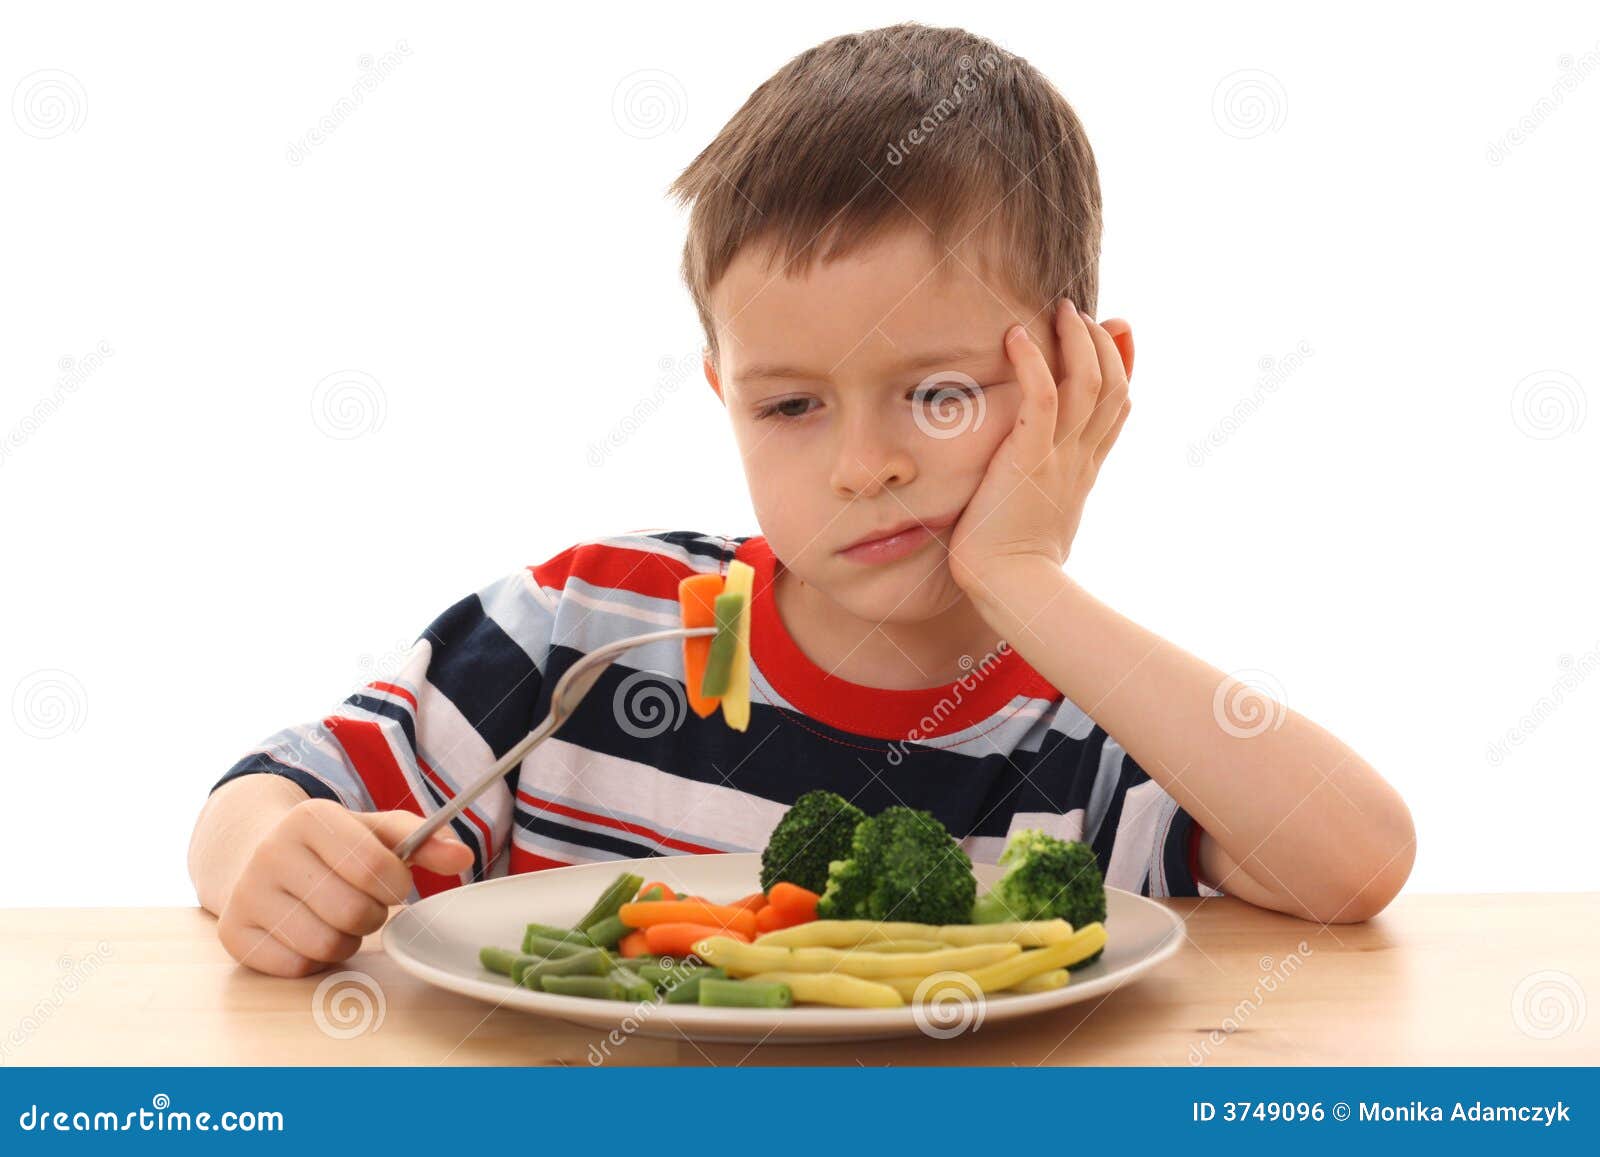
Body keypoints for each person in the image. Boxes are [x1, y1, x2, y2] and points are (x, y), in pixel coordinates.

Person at [189, 22, 1414, 976]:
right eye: (790, 406)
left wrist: (1022, 574)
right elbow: (274, 786)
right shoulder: (582, 622)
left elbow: (1355, 859)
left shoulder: (1099, 735)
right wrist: (265, 855)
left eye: (937, 394)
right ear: (723, 391)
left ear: (1078, 379)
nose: (860, 465)